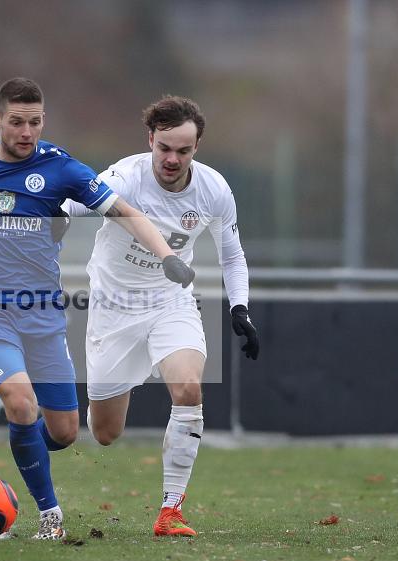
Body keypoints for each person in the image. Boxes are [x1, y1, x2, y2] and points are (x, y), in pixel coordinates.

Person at [0, 78, 195, 539]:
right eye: (16, 122)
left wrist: (168, 257)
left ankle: (25, 449)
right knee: (20, 403)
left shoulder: (61, 168)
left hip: (43, 316)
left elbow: (126, 212)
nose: (26, 131)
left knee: (66, 430)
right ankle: (49, 515)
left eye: (34, 122)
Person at [62, 95, 259, 537]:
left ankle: (171, 511)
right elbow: (68, 210)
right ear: (150, 139)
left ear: (197, 148)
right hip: (113, 309)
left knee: (189, 388)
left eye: (183, 151)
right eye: (164, 148)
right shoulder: (122, 178)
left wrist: (241, 308)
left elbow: (233, 255)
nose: (172, 159)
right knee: (105, 433)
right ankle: (94, 409)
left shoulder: (213, 189)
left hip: (171, 301)